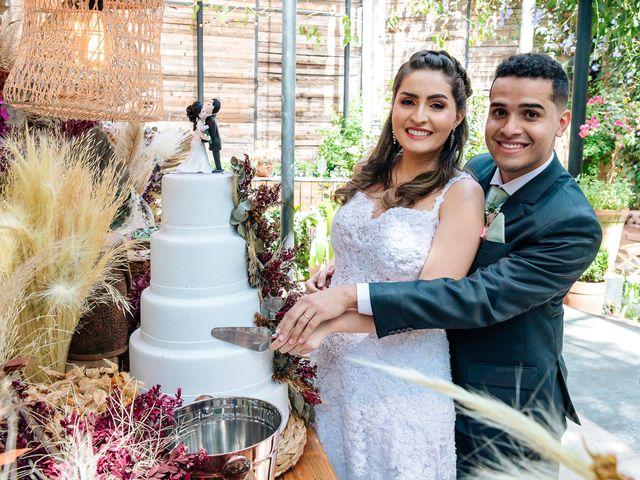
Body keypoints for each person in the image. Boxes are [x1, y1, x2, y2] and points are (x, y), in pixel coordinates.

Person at [272, 52, 602, 477]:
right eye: (499, 111)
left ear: (560, 123)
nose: (510, 128)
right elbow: (417, 240)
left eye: (530, 114)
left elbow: (473, 297)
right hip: (415, 366)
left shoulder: (570, 222)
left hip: (502, 407)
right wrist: (348, 263)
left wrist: (348, 299)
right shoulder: (482, 169)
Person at [279, 50, 483, 479]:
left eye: (437, 104)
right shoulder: (374, 173)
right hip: (333, 368)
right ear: (393, 104)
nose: (419, 116)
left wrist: (334, 317)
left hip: (400, 382)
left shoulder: (461, 193)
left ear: (458, 116)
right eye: (408, 100)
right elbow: (369, 249)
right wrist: (334, 269)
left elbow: (433, 302)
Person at [179, 100, 213, 173]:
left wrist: (206, 127)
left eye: (205, 111)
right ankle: (199, 167)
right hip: (197, 143)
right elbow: (200, 134)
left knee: (197, 156)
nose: (205, 113)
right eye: (203, 112)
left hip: (197, 142)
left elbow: (201, 130)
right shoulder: (199, 122)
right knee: (199, 156)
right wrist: (207, 138)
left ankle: (199, 167)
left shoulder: (200, 122)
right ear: (199, 115)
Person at [204, 98, 224, 172]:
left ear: (213, 108)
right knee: (215, 155)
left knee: (216, 156)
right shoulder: (210, 118)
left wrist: (207, 138)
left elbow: (212, 132)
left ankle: (219, 168)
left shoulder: (211, 119)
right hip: (215, 141)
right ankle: (218, 168)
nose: (206, 105)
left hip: (215, 141)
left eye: (209, 104)